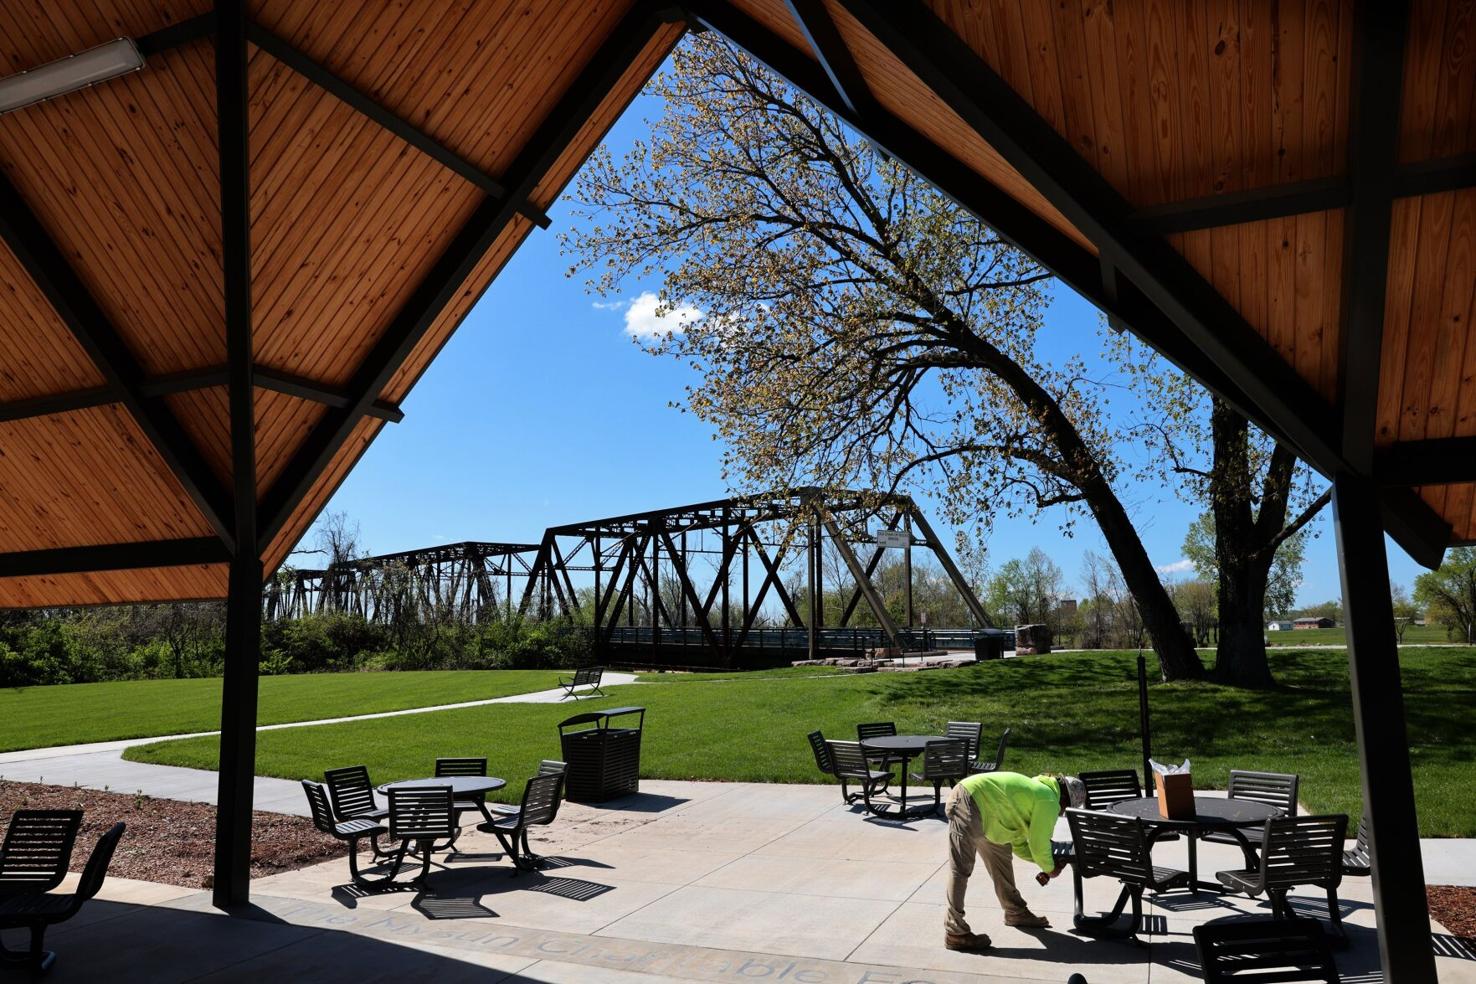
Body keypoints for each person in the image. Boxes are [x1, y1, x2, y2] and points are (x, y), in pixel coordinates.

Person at [943, 770, 1085, 952]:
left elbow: (1019, 844)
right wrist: (1050, 868)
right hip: (968, 800)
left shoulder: (1035, 793)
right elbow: (1039, 844)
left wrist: (1047, 861)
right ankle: (955, 932)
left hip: (987, 812)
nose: (1061, 813)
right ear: (1065, 798)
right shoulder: (1049, 799)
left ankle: (1015, 912)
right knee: (961, 868)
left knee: (1001, 857)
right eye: (1064, 809)